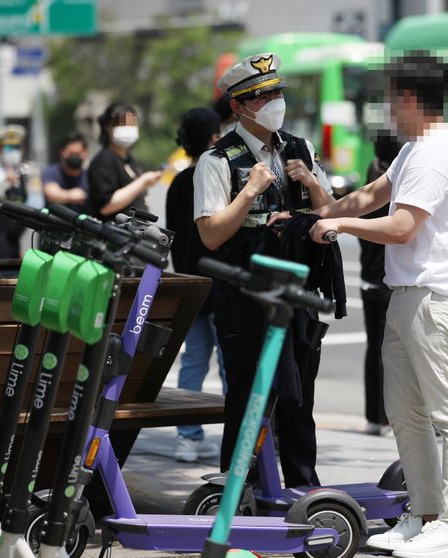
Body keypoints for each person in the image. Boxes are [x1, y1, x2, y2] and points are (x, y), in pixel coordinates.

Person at [305, 53, 448, 558]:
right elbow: (370, 196)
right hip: (407, 298)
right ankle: (424, 515)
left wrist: (339, 226)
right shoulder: (413, 149)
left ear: (406, 98)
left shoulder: (434, 153)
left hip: (436, 299)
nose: (386, 108)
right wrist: (315, 213)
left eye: (388, 98)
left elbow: (402, 227)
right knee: (406, 414)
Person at [193, 53, 334, 487]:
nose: (274, 102)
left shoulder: (299, 148)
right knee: (248, 399)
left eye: (276, 93)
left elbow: (331, 217)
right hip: (245, 299)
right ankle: (239, 494)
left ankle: (302, 489)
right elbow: (211, 234)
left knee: (299, 400)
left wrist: (310, 183)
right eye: (262, 96)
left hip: (298, 293)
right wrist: (250, 193)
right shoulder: (217, 161)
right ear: (238, 106)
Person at [165, 107, 227, 462]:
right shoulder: (216, 176)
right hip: (220, 282)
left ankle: (188, 437)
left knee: (193, 360)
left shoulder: (177, 182)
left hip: (190, 285)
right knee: (230, 362)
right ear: (214, 138)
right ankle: (234, 431)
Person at [359, 133, 402, 437]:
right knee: (394, 352)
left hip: (367, 281)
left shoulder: (369, 184)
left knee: (374, 348)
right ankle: (389, 416)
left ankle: (374, 417)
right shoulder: (397, 190)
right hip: (389, 282)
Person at [87, 103, 162, 220]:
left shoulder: (129, 160)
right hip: (114, 233)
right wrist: (142, 182)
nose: (128, 128)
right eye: (122, 124)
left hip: (136, 234)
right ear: (108, 127)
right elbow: (105, 206)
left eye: (132, 124)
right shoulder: (103, 160)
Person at [0, 124, 29, 259]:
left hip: (14, 239)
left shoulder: (22, 173)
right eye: (9, 148)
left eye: (17, 148)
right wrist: (6, 179)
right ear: (0, 149)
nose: (13, 152)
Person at [41, 132, 90, 214]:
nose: (74, 156)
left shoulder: (90, 176)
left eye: (77, 153)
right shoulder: (52, 172)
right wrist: (70, 195)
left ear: (85, 153)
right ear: (62, 152)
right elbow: (51, 194)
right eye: (71, 153)